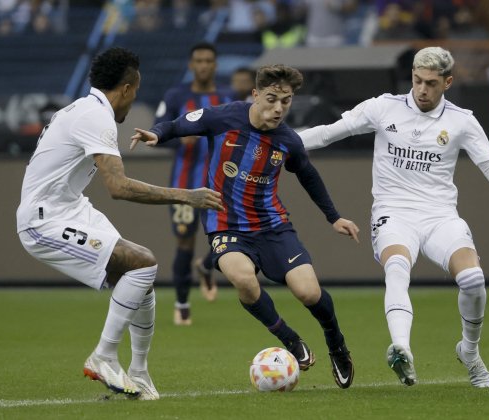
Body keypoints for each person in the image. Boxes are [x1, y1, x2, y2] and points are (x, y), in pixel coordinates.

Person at [298, 47, 489, 388]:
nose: (422, 89)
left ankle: (469, 350)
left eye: (431, 83)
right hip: (393, 213)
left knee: (473, 280)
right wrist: (283, 141)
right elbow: (329, 132)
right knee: (397, 267)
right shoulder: (383, 107)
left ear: (447, 82)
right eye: (417, 80)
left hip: (439, 215)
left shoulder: (462, 121)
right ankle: (401, 349)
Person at [131, 64, 360, 389]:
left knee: (308, 292)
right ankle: (290, 339)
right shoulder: (223, 117)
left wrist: (333, 216)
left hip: (273, 226)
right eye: (271, 99)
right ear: (255, 95)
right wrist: (157, 132)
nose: (279, 108)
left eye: (286, 101)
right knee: (243, 279)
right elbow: (182, 124)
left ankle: (336, 343)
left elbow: (308, 175)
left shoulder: (288, 141)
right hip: (225, 224)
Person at [16, 47, 223, 400]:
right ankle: (104, 356)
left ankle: (139, 373)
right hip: (43, 221)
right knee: (144, 262)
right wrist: (188, 196)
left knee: (140, 279)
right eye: (136, 91)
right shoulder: (96, 117)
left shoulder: (84, 109)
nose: (134, 98)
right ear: (126, 88)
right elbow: (118, 187)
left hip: (72, 208)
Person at [154, 42, 232, 326]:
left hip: (221, 184)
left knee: (232, 237)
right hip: (184, 185)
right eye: (198, 60)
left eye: (208, 61)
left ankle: (206, 265)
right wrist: (176, 138)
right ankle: (182, 303)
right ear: (191, 65)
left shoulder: (226, 96)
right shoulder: (176, 96)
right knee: (185, 240)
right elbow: (157, 131)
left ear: (215, 64)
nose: (203, 65)